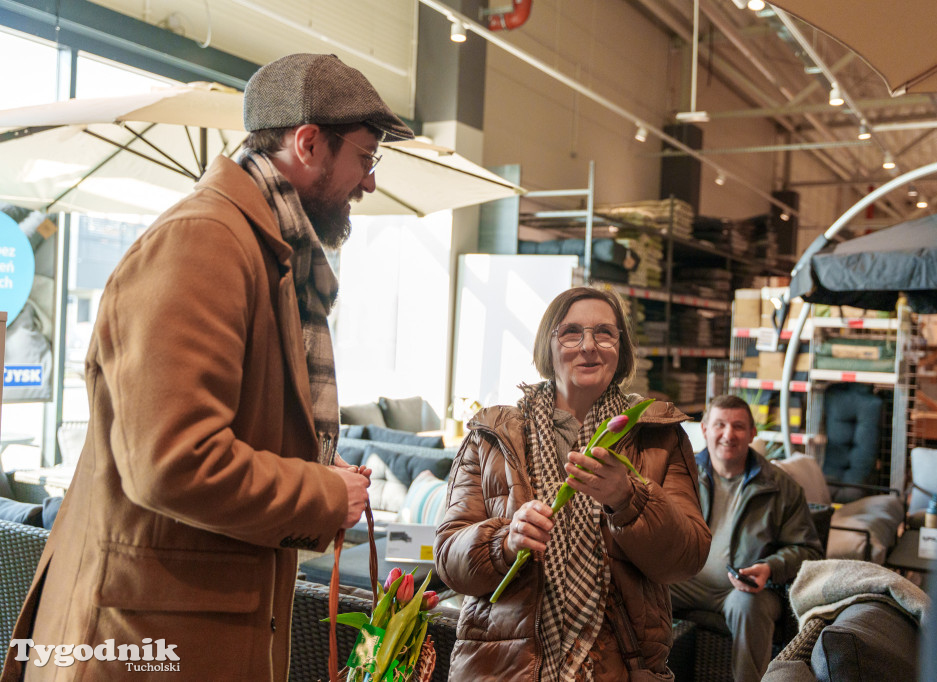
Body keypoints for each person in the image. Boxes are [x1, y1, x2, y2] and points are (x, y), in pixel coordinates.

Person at [1, 53, 413, 681]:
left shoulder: (265, 252)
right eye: (367, 156)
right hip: (146, 640)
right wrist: (324, 492)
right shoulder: (205, 241)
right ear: (307, 143)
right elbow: (174, 460)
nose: (369, 182)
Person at [435, 286, 711, 681]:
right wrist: (505, 542)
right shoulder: (493, 435)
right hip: (504, 668)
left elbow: (688, 558)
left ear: (621, 347)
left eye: (604, 333)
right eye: (571, 332)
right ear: (548, 344)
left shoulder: (657, 435)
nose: (588, 347)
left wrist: (629, 499)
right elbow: (448, 559)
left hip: (619, 665)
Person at [670, 394, 823, 682]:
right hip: (686, 582)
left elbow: (809, 551)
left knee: (747, 606)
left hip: (745, 591)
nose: (728, 434)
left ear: (753, 433)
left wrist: (770, 568)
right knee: (640, 588)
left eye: (738, 426)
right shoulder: (681, 473)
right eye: (720, 425)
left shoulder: (781, 487)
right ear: (704, 429)